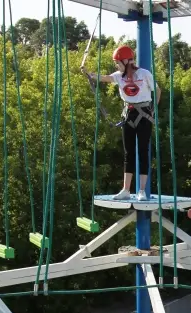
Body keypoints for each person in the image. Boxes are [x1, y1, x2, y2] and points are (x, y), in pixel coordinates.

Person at [81, 45, 162, 201]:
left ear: (127, 61)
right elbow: (103, 77)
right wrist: (88, 73)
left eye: (118, 63)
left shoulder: (144, 74)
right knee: (128, 153)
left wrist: (154, 110)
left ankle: (142, 191)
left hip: (144, 114)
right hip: (129, 115)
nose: (116, 66)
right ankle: (125, 189)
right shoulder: (119, 76)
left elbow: (157, 90)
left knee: (143, 151)